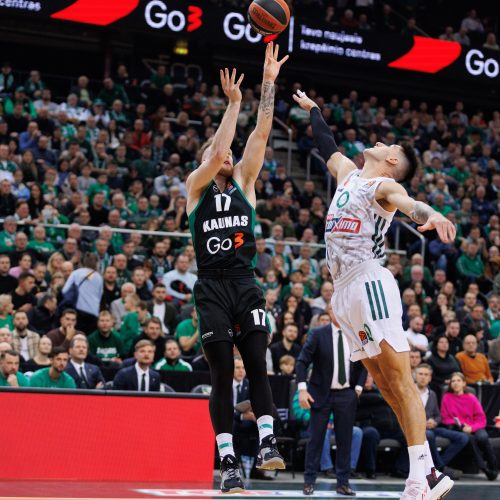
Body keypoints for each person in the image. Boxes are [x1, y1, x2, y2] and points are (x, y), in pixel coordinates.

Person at [293, 89, 457, 499]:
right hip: (344, 293)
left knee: (400, 378)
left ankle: (423, 476)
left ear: (393, 162)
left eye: (390, 145)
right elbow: (327, 145)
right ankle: (428, 473)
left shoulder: (384, 185)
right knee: (383, 383)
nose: (381, 142)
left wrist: (432, 214)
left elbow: (410, 204)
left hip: (370, 283)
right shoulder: (348, 174)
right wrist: (314, 110)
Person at [185, 44, 288, 493]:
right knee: (223, 372)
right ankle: (227, 459)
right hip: (211, 286)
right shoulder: (195, 186)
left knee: (258, 364)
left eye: (226, 152)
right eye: (216, 151)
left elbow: (261, 135)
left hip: (244, 283)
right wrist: (232, 105)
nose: (225, 155)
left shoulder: (244, 182)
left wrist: (267, 83)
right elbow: (218, 150)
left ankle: (267, 443)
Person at [296, 307, 366, 496]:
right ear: (330, 313)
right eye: (335, 311)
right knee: (316, 439)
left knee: (345, 439)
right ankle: (309, 481)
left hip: (346, 394)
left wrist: (358, 389)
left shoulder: (357, 333)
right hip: (320, 394)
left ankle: (343, 483)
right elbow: (302, 362)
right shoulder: (318, 334)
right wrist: (302, 389)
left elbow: (365, 361)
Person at [415, 364, 468, 480]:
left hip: (432, 428)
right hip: (415, 429)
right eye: (420, 374)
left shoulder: (432, 394)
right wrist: (421, 423)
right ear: (415, 376)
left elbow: (438, 416)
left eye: (426, 375)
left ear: (430, 378)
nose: (423, 377)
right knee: (429, 435)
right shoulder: (409, 393)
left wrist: (434, 421)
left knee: (462, 438)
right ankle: (441, 468)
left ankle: (435, 468)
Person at [441, 372, 498, 480]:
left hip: (474, 425)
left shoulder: (471, 397)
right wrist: (461, 426)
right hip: (459, 427)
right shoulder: (447, 398)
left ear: (464, 383)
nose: (456, 383)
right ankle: (484, 468)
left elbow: (482, 418)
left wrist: (472, 428)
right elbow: (445, 418)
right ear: (450, 384)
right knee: (470, 439)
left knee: (482, 437)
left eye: (458, 381)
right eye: (453, 381)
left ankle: (493, 465)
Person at [61, 252, 103, 333]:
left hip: (78, 311)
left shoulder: (76, 273)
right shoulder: (99, 277)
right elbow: (99, 296)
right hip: (93, 312)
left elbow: (64, 290)